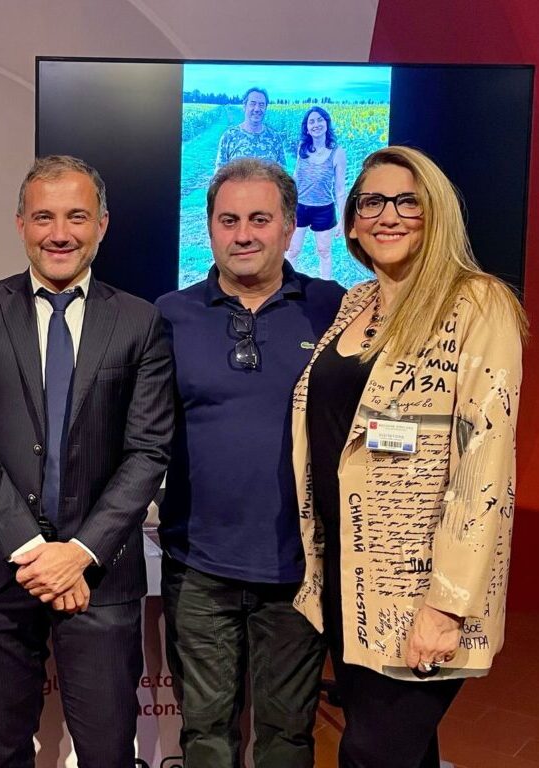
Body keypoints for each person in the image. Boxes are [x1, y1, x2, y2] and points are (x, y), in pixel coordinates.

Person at [0, 155, 174, 768]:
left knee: (107, 752)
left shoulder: (140, 320)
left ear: (102, 225)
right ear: (21, 224)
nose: (59, 233)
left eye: (76, 217)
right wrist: (34, 550)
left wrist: (79, 553)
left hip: (100, 572)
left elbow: (148, 450)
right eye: (44, 217)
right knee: (3, 750)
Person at [292, 146, 526, 768]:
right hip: (350, 574)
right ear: (351, 220)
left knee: (371, 753)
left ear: (437, 213)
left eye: (407, 202)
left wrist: (446, 604)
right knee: (404, 751)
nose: (387, 215)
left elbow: (484, 466)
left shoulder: (478, 303)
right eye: (372, 201)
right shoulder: (356, 302)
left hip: (421, 585)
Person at [157, 158, 344, 768]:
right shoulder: (169, 315)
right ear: (209, 228)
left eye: (260, 219)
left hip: (298, 570)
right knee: (205, 735)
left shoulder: (335, 309)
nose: (243, 234)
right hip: (198, 568)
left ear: (289, 227)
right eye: (228, 220)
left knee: (288, 737)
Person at [286, 107, 348, 279]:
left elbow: (340, 190)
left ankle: (325, 286)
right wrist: (288, 204)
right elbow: (296, 176)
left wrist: (342, 219)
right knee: (292, 250)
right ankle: (287, 285)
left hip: (324, 210)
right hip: (300, 207)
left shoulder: (338, 153)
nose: (316, 125)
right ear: (307, 128)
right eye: (311, 122)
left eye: (320, 120)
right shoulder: (302, 148)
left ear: (327, 123)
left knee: (324, 251)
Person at [215, 87, 287, 170]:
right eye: (253, 104)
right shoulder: (229, 136)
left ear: (266, 108)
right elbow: (220, 173)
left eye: (261, 105)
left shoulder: (275, 139)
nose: (257, 109)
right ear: (244, 106)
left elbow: (282, 173)